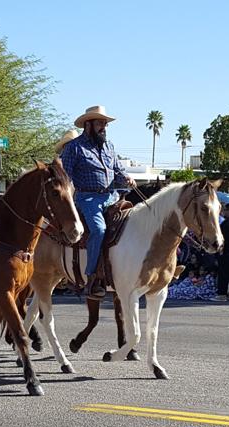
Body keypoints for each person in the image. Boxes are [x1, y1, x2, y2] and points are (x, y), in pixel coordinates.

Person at [59, 105, 135, 299]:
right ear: (88, 125)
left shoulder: (109, 146)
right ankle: (92, 277)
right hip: (87, 198)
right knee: (99, 230)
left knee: (131, 222)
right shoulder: (74, 148)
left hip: (112, 195)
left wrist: (127, 178)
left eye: (105, 123)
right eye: (100, 123)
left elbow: (118, 170)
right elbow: (65, 178)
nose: (104, 127)